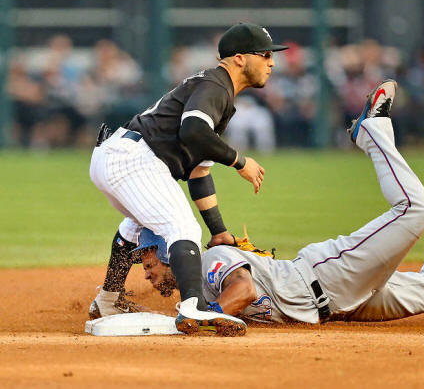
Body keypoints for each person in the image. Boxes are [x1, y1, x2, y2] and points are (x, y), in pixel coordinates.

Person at [132, 79, 424, 325]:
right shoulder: (198, 293)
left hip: (329, 277)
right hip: (342, 306)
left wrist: (209, 318)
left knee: (416, 211)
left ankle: (372, 130)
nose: (146, 274)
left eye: (147, 261)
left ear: (169, 253)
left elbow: (244, 290)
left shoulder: (210, 262)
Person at [88, 22, 288, 336]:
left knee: (137, 224)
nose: (271, 62)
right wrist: (240, 161)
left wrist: (219, 231)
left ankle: (108, 299)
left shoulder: (218, 93)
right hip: (134, 159)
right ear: (239, 58)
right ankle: (194, 307)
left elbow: (199, 172)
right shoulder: (216, 85)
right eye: (264, 54)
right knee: (182, 228)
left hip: (120, 156)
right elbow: (193, 131)